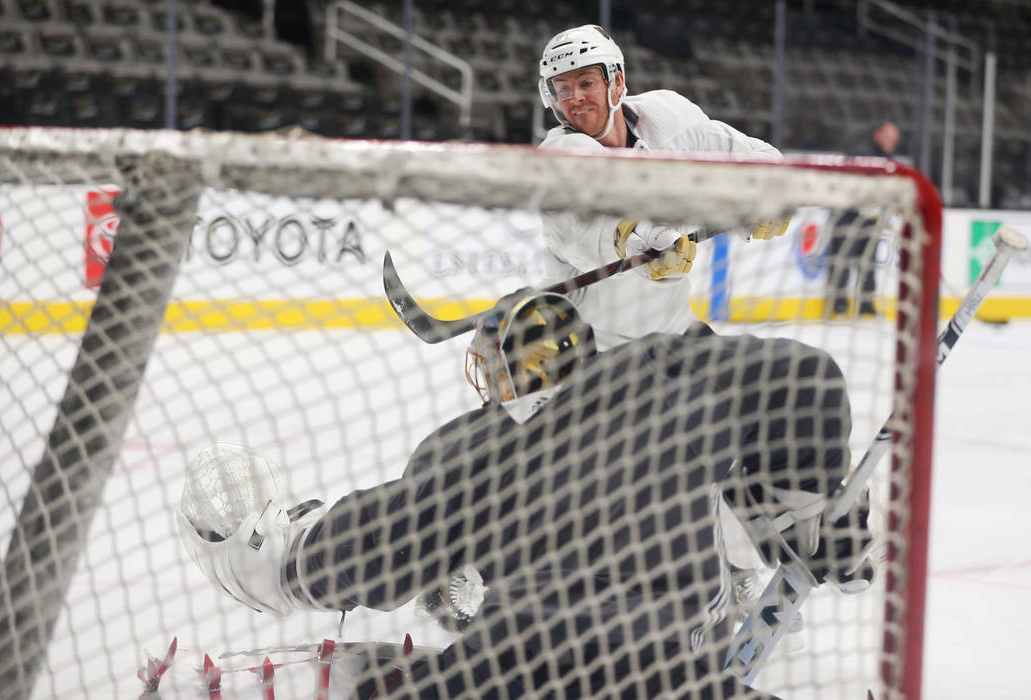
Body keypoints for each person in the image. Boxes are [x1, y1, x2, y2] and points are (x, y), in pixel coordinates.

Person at [178, 290, 874, 698]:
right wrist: (806, 508)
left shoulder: (476, 449)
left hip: (526, 666)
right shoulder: (670, 374)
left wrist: (292, 563)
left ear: (511, 374)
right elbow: (806, 374)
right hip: (684, 666)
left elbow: (382, 543)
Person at [534, 24, 797, 618]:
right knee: (660, 471)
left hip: (674, 333)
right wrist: (641, 237)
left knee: (747, 422)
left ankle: (746, 565)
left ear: (617, 81)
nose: (575, 98)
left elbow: (744, 153)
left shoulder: (669, 119)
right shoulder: (560, 156)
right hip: (594, 351)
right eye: (562, 88)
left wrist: (768, 192)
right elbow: (586, 235)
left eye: (586, 83)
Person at [824, 120, 901, 318]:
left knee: (868, 263)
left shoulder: (887, 157)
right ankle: (839, 307)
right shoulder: (862, 152)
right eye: (890, 137)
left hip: (870, 219)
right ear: (878, 134)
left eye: (895, 138)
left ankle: (866, 307)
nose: (893, 141)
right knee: (843, 261)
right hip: (847, 216)